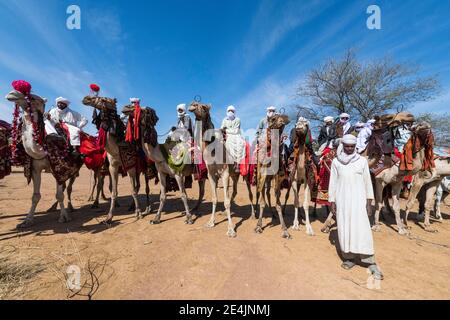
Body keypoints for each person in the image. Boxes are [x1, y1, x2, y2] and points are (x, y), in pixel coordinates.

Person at [328, 134, 383, 280]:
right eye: (347, 146)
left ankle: (369, 260)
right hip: (342, 199)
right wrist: (332, 201)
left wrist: (369, 201)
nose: (349, 148)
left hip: (359, 200)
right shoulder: (336, 162)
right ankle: (349, 258)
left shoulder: (362, 161)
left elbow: (367, 181)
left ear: (355, 147)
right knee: (345, 227)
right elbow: (333, 182)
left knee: (362, 228)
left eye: (352, 146)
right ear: (343, 146)